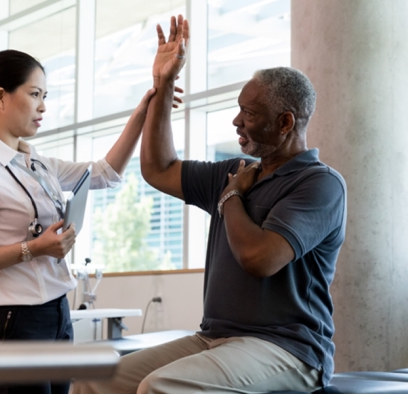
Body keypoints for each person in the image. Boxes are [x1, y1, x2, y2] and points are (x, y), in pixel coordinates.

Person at [73, 15, 347, 394]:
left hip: (288, 350)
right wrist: (164, 84)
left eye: (249, 114)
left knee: (160, 386)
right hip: (215, 338)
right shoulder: (233, 171)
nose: (236, 121)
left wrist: (232, 197)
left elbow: (260, 259)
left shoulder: (319, 183)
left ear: (285, 122)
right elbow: (158, 169)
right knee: (93, 380)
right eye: (239, 109)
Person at [0, 49, 182, 394]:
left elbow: (104, 173)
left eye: (45, 96)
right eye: (34, 94)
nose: (43, 107)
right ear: (1, 97)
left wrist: (144, 112)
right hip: (12, 321)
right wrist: (32, 249)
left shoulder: (34, 161)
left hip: (54, 313)